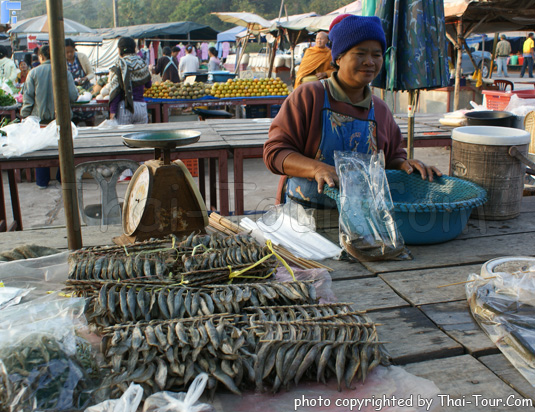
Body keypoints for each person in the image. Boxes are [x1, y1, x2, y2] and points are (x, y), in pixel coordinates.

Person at [263, 14, 441, 208]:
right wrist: (316, 168)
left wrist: (405, 165)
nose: (369, 62)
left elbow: (391, 158)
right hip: (304, 213)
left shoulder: (380, 110)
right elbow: (275, 153)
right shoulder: (309, 96)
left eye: (376, 55)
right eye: (360, 53)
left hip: (361, 217)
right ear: (339, 58)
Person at [21, 45, 78, 189]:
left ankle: (42, 182)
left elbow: (28, 99)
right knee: (62, 150)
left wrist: (25, 116)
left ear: (41, 57)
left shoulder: (33, 73)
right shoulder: (64, 72)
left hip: (39, 121)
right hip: (61, 120)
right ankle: (61, 178)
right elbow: (73, 96)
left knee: (41, 149)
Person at [108, 36, 152, 125]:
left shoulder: (119, 65)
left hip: (125, 108)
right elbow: (149, 84)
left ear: (119, 49)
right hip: (141, 107)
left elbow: (116, 90)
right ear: (134, 48)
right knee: (141, 134)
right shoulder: (141, 63)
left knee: (124, 134)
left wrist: (112, 111)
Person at [65, 38, 96, 126]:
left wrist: (85, 78)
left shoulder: (82, 57)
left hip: (86, 92)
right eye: (66, 52)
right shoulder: (61, 61)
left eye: (71, 51)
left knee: (89, 120)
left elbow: (91, 73)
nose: (69, 54)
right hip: (72, 95)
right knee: (73, 122)